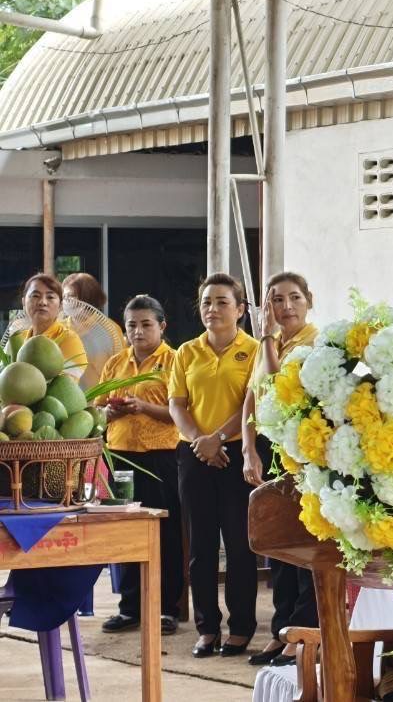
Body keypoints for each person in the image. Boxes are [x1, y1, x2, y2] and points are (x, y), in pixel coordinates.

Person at [169, 273, 258, 658]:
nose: (213, 309)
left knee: (240, 546)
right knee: (200, 546)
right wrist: (199, 442)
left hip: (238, 455)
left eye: (222, 302)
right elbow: (177, 403)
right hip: (194, 456)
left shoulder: (253, 350)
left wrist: (217, 439)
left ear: (240, 309)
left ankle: (241, 628)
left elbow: (252, 403)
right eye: (207, 302)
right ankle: (207, 629)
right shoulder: (186, 352)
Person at [241, 272, 320, 667]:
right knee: (277, 543)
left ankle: (304, 633)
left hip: (302, 446)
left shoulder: (314, 342)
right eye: (275, 300)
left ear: (309, 301)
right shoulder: (267, 344)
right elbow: (252, 396)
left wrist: (268, 337)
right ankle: (282, 628)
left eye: (293, 298)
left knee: (302, 541)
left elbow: (277, 382)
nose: (285, 307)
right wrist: (247, 448)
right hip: (269, 446)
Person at [95, 295, 184, 636]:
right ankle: (129, 607)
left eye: (146, 324)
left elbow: (181, 412)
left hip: (162, 457)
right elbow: (97, 412)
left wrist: (144, 407)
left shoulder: (175, 361)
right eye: (131, 324)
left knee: (164, 532)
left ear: (162, 326)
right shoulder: (115, 363)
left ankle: (166, 609)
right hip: (120, 456)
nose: (138, 331)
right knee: (125, 532)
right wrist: (110, 412)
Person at [6, 273, 88, 381]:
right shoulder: (17, 339)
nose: (42, 302)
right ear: (23, 302)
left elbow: (63, 386)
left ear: (60, 306)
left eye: (50, 297)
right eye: (35, 296)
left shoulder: (69, 340)